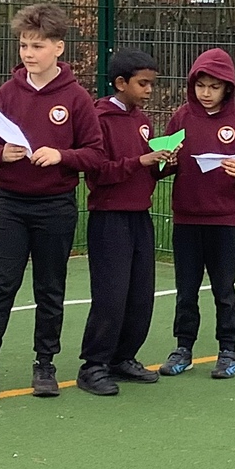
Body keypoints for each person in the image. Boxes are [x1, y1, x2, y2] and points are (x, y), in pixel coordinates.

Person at [0, 4, 104, 399]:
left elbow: (95, 153)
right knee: (1, 284)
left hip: (56, 207)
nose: (28, 53)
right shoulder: (8, 93)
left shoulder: (77, 98)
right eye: (24, 45)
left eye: (37, 46)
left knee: (50, 288)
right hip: (11, 205)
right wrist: (2, 153)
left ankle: (45, 364)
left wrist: (62, 155)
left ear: (58, 48)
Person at [78, 47, 175, 396]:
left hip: (139, 216)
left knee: (140, 294)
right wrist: (141, 161)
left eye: (152, 84)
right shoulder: (99, 119)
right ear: (121, 83)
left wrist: (165, 163)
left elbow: (145, 171)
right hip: (109, 218)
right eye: (143, 83)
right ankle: (93, 365)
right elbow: (98, 172)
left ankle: (123, 357)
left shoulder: (142, 121)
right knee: (111, 295)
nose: (149, 90)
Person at [162, 48, 235, 380]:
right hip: (186, 219)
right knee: (186, 291)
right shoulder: (182, 117)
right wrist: (167, 160)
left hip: (223, 221)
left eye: (214, 87)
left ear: (227, 88)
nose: (206, 93)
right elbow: (161, 163)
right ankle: (183, 347)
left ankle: (228, 349)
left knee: (223, 290)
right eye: (200, 85)